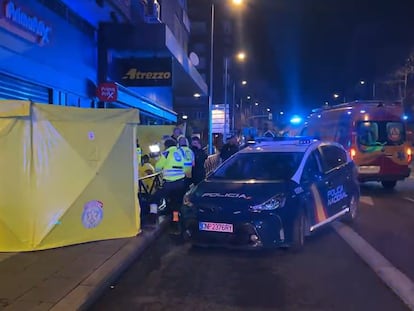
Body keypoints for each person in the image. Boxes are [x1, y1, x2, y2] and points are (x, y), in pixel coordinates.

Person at [149, 138, 186, 229]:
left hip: (169, 183)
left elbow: (158, 167)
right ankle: (175, 222)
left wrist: (158, 159)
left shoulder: (166, 153)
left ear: (166, 146)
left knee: (154, 199)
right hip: (181, 182)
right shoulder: (181, 152)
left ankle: (152, 218)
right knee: (176, 204)